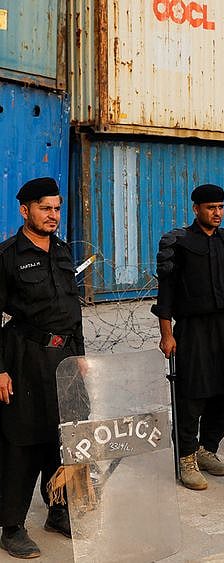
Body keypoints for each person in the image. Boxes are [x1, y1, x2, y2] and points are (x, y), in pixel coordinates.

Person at [152, 184, 224, 491]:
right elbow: (166, 292)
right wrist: (166, 334)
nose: (217, 213)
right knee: (192, 395)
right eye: (210, 208)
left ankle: (207, 448)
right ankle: (186, 456)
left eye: (220, 207)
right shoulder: (179, 243)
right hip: (193, 328)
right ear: (196, 208)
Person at [0, 178, 84, 558]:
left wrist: (81, 358)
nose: (53, 215)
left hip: (64, 358)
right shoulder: (7, 257)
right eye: (45, 208)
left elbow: (73, 312)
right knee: (23, 442)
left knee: (61, 437)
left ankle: (58, 510)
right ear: (25, 210)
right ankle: (12, 525)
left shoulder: (63, 253)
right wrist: (0, 370)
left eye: (56, 208)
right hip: (26, 357)